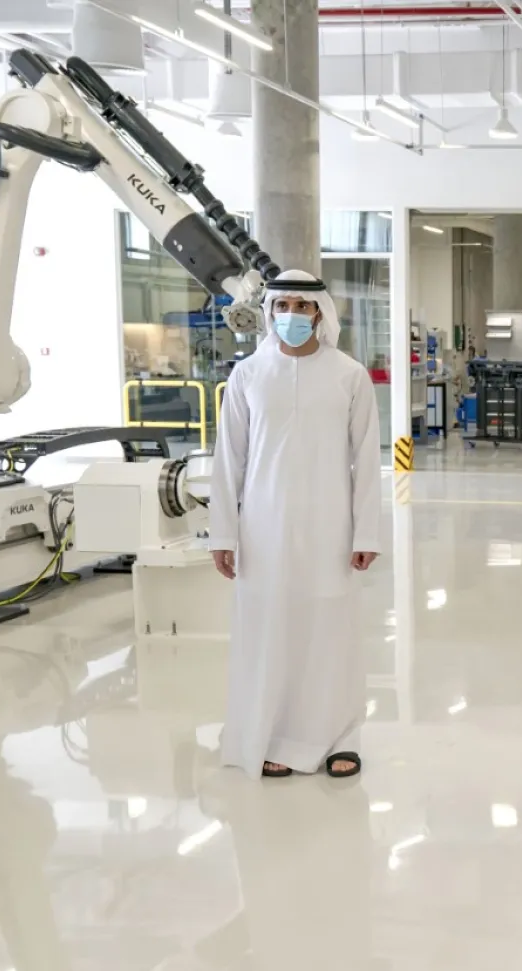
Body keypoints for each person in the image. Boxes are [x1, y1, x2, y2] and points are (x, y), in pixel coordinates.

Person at [209, 270, 384, 779]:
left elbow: (367, 460)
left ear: (319, 313)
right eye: (281, 305)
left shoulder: (349, 375)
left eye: (301, 307)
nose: (291, 315)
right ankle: (274, 735)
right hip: (262, 529)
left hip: (330, 526)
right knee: (269, 632)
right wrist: (223, 533)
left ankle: (339, 737)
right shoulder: (247, 375)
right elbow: (229, 461)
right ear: (270, 312)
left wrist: (366, 532)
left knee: (329, 633)